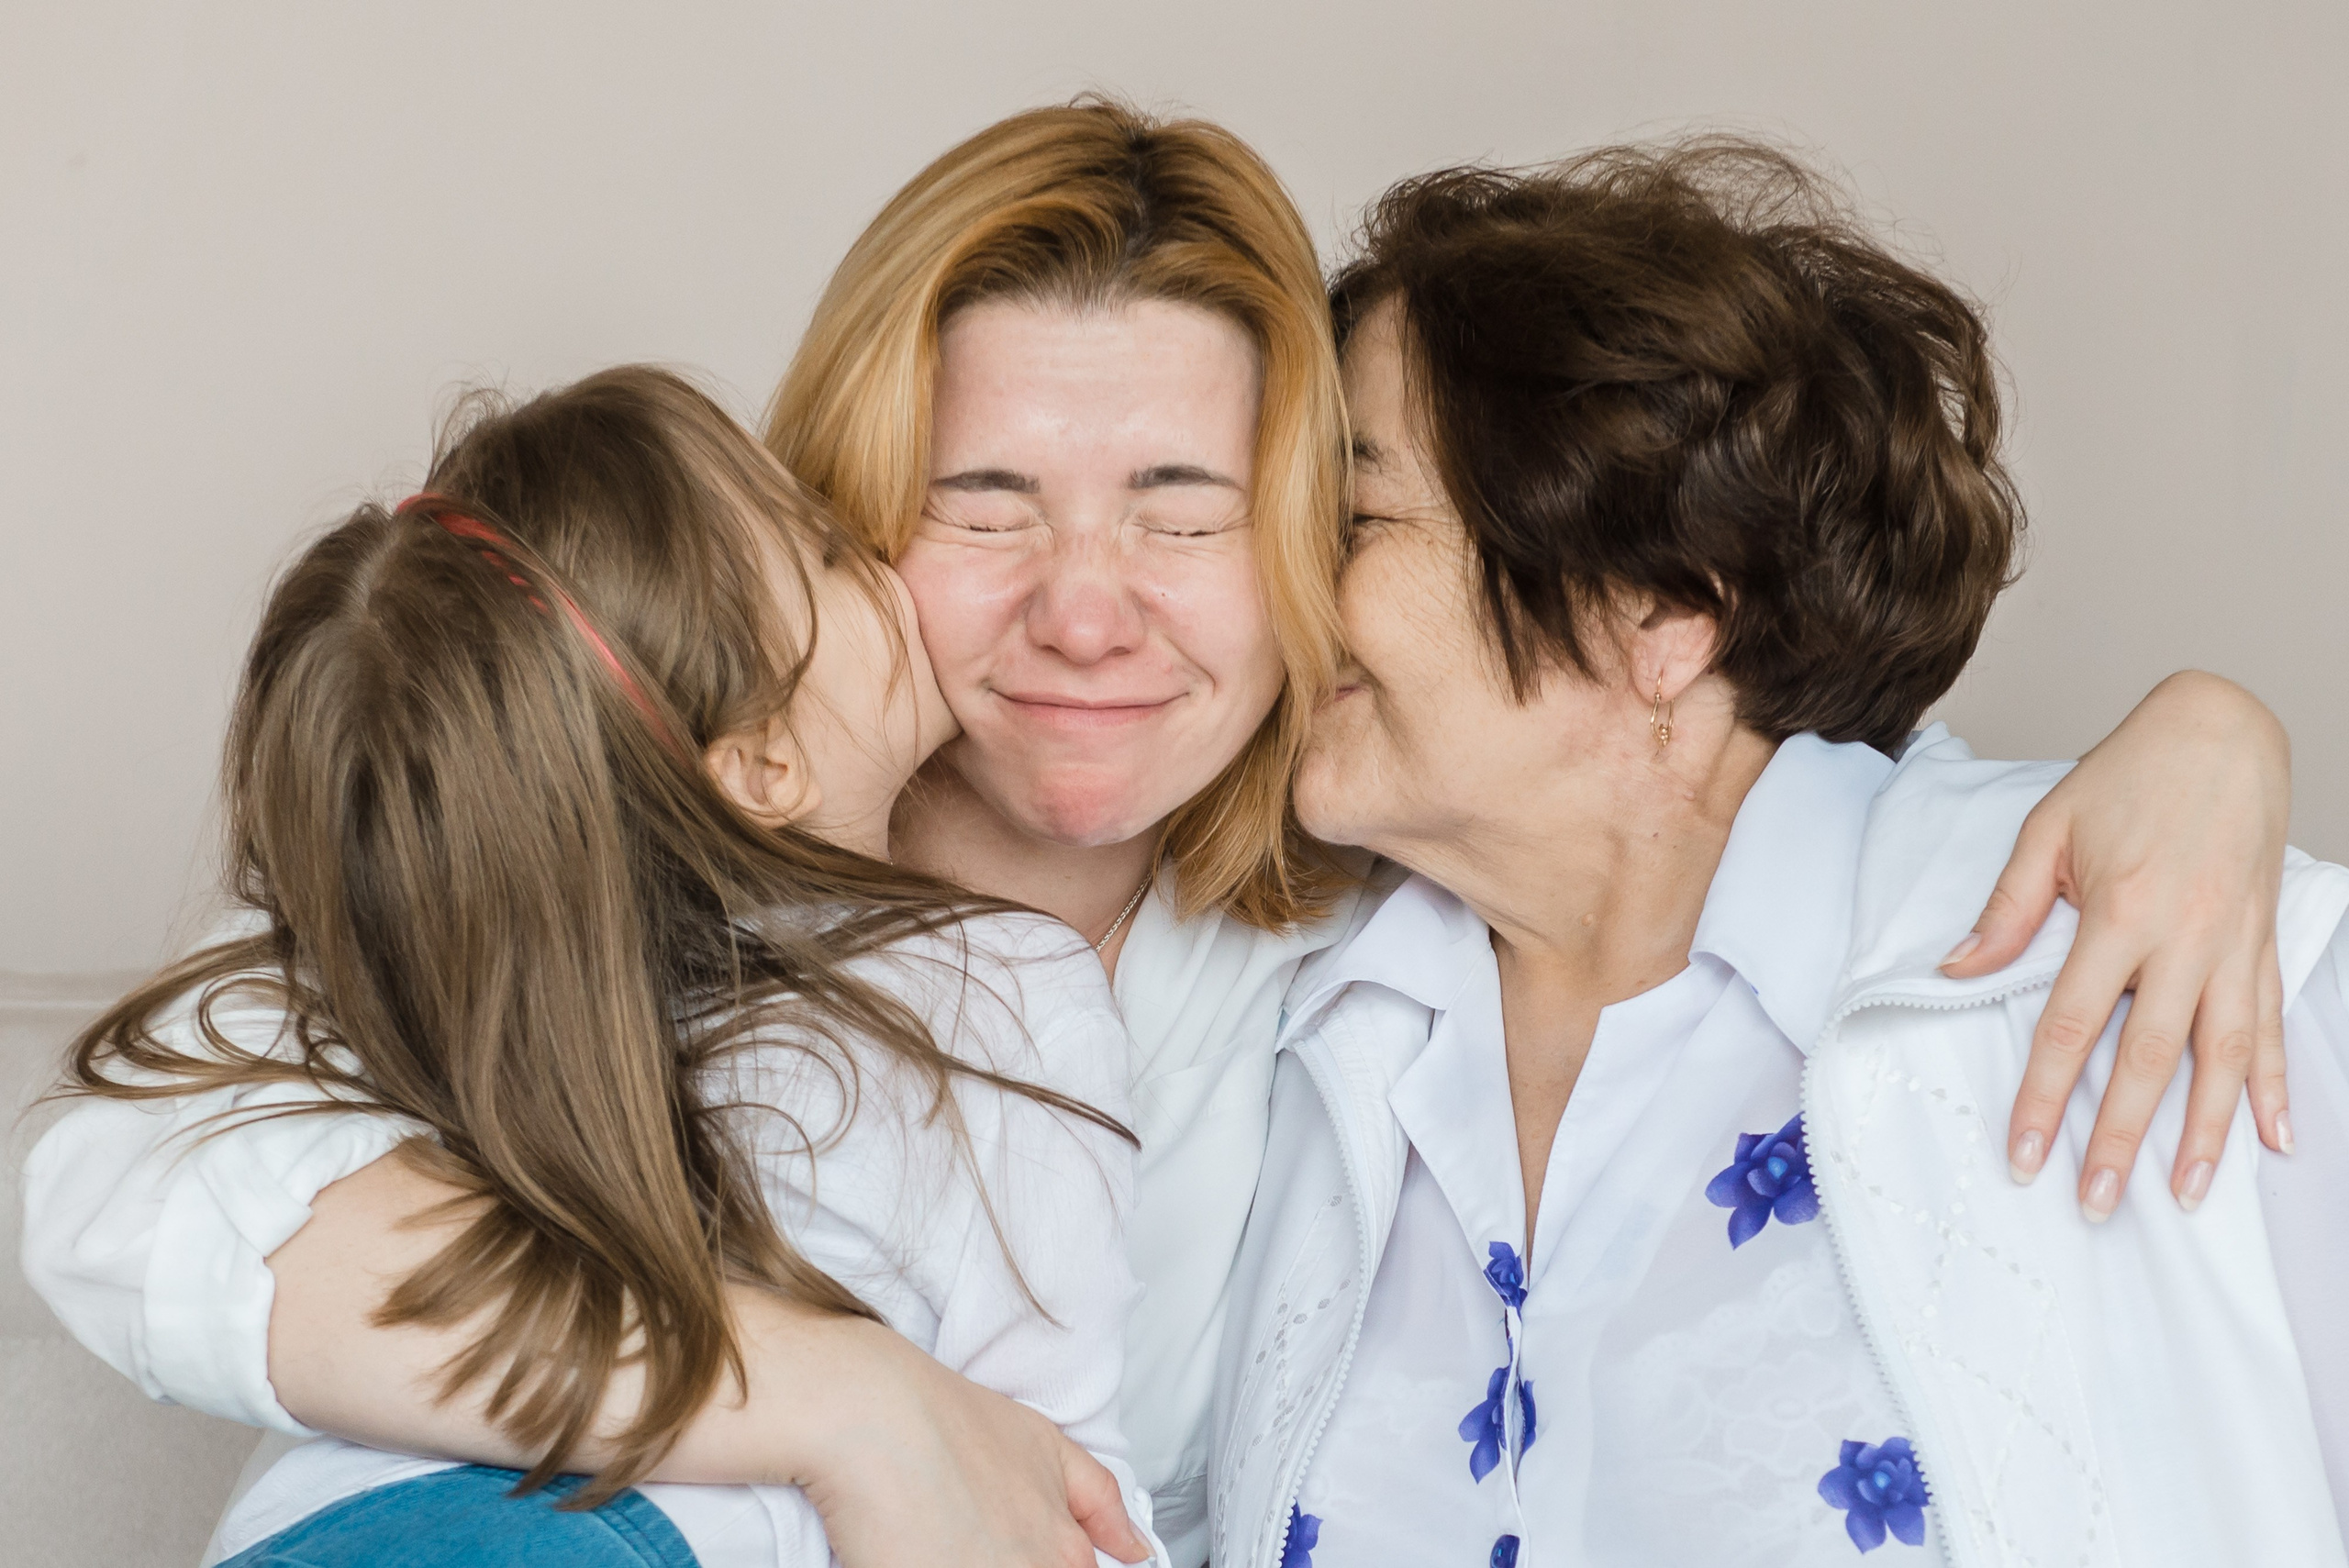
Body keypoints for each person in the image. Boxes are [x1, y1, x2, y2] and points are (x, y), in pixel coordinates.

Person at [19, 104, 2312, 1568]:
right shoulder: (594, 822)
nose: (1083, 608)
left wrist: (2208, 737)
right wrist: (837, 1403)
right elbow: (129, 1191)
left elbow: (1731, 802)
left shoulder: (1362, 942)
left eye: (1197, 509)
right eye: (979, 500)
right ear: (840, 532)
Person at [1209, 142, 2348, 1568]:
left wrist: (2224, 734)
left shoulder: (2143, 952)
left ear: (1662, 610)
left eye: (1360, 519)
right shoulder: (1289, 1029)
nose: (1284, 583)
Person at [27, 367, 1166, 1568]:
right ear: (762, 764)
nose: (880, 561)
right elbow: (1058, 1471)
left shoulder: (443, 958)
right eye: (833, 552)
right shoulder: (1004, 979)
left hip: (321, 1528)